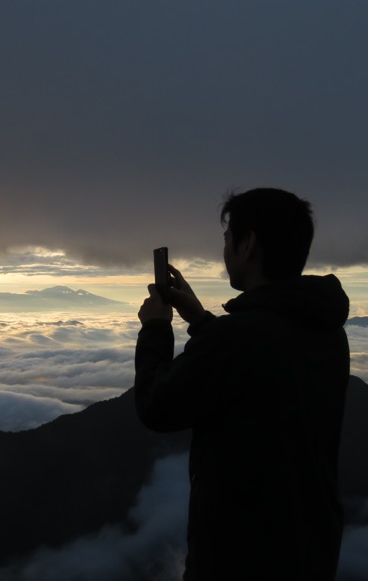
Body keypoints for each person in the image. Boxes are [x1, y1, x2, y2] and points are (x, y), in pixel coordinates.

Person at [135, 188, 350, 581]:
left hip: (241, 556)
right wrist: (200, 320)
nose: (225, 252)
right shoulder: (326, 328)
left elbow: (156, 405)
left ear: (248, 244)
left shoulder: (241, 336)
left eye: (227, 239)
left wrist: (155, 329)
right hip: (311, 548)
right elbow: (261, 362)